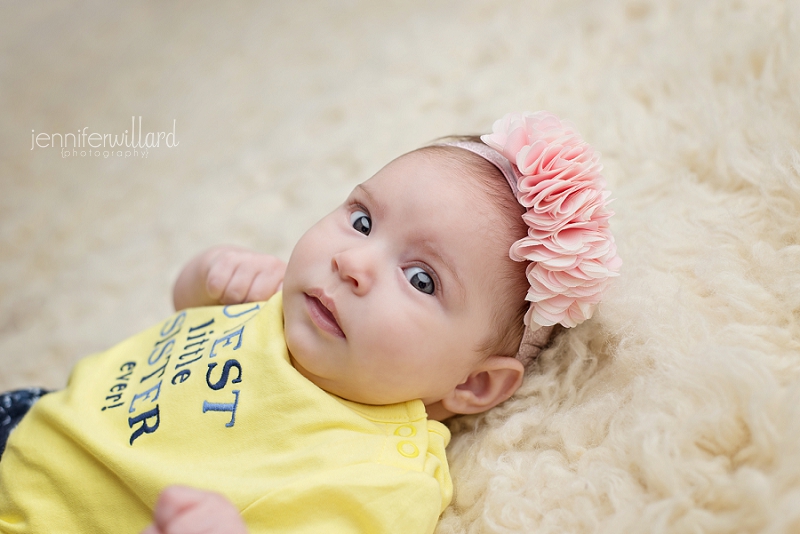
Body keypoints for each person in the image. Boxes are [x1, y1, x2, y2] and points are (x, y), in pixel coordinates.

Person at [0, 111, 621, 534]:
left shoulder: (380, 471)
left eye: (422, 279)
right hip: (31, 417)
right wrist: (205, 278)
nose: (353, 264)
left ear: (472, 386)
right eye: (361, 221)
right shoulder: (280, 297)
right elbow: (180, 323)